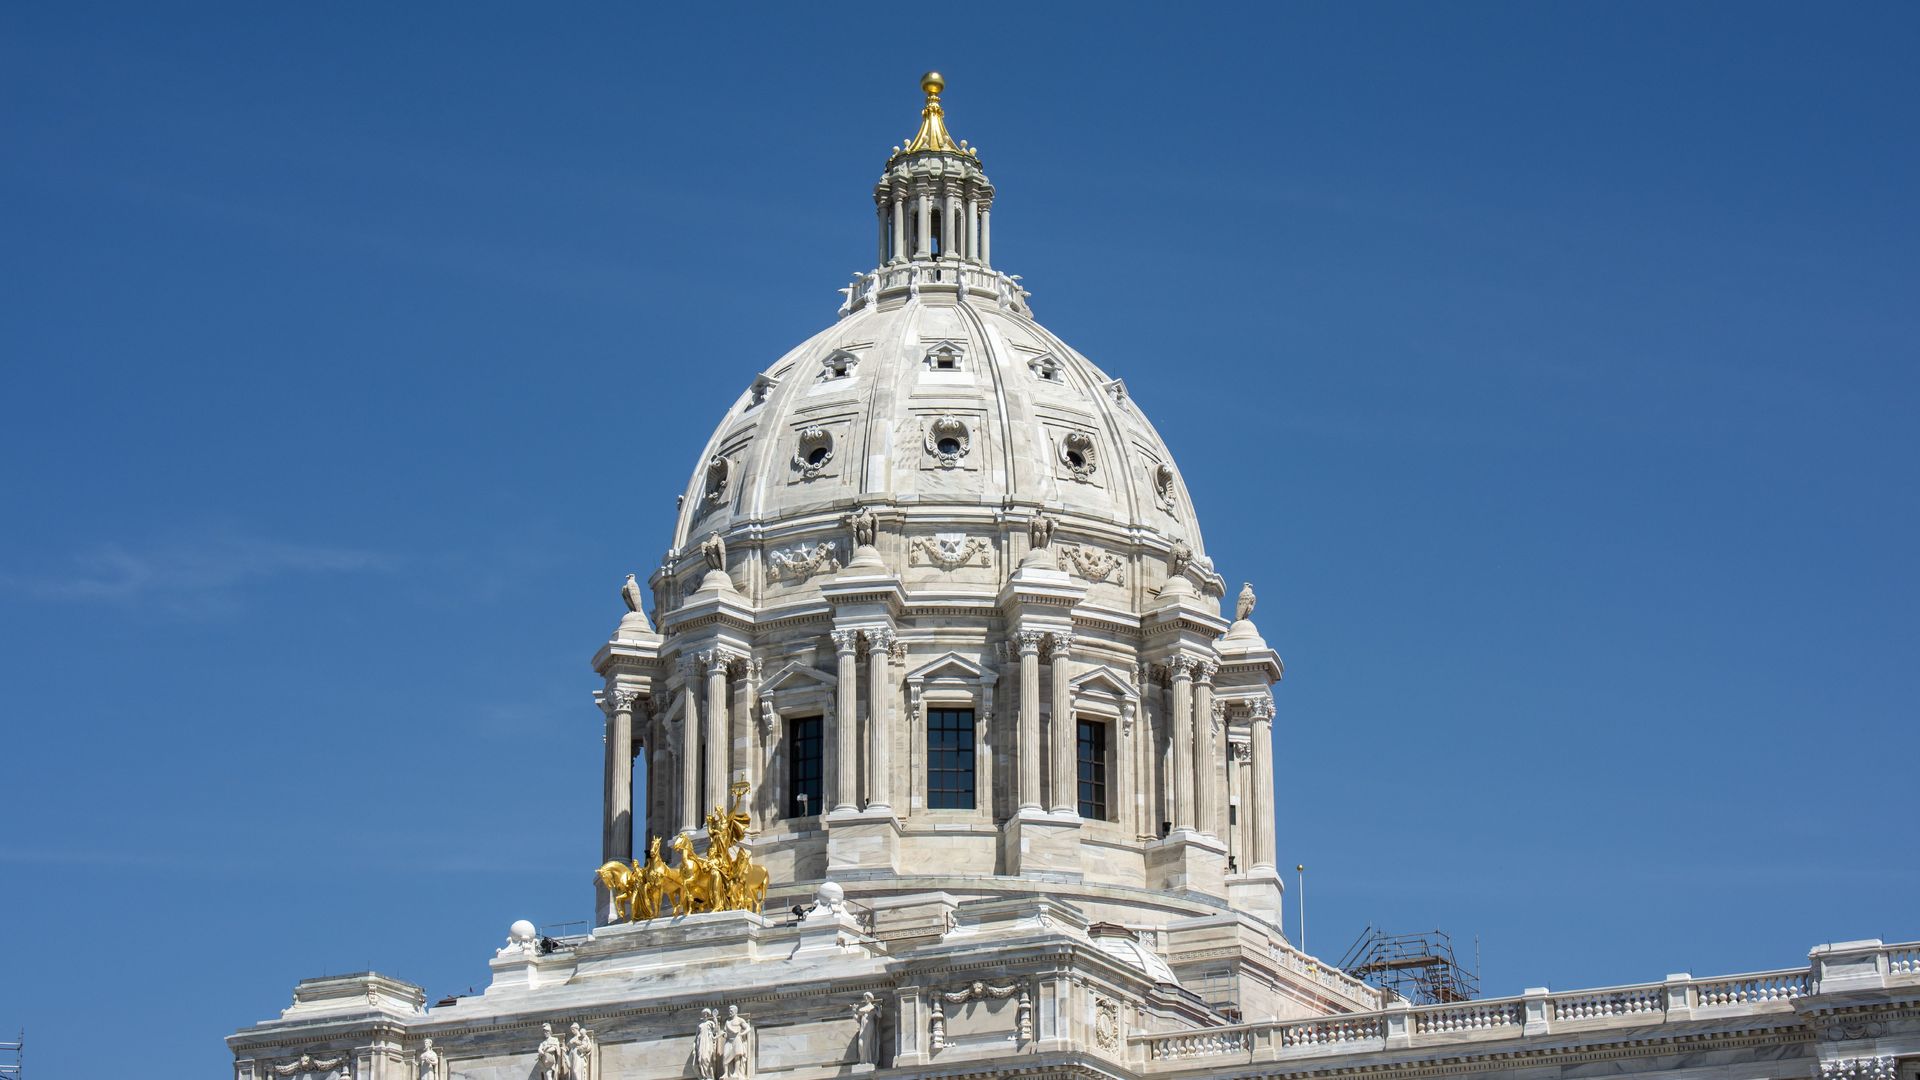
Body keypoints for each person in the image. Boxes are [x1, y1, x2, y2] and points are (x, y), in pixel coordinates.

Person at [722, 1004, 753, 1079]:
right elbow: (725, 1032)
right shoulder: (727, 1021)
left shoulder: (740, 1020)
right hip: (729, 1040)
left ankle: (736, 1073)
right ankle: (726, 1073)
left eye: (731, 1011)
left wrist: (742, 1034)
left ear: (736, 1011)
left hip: (737, 1039)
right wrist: (724, 1034)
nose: (730, 1012)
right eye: (729, 1011)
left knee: (737, 1056)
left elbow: (748, 1028)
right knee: (725, 1056)